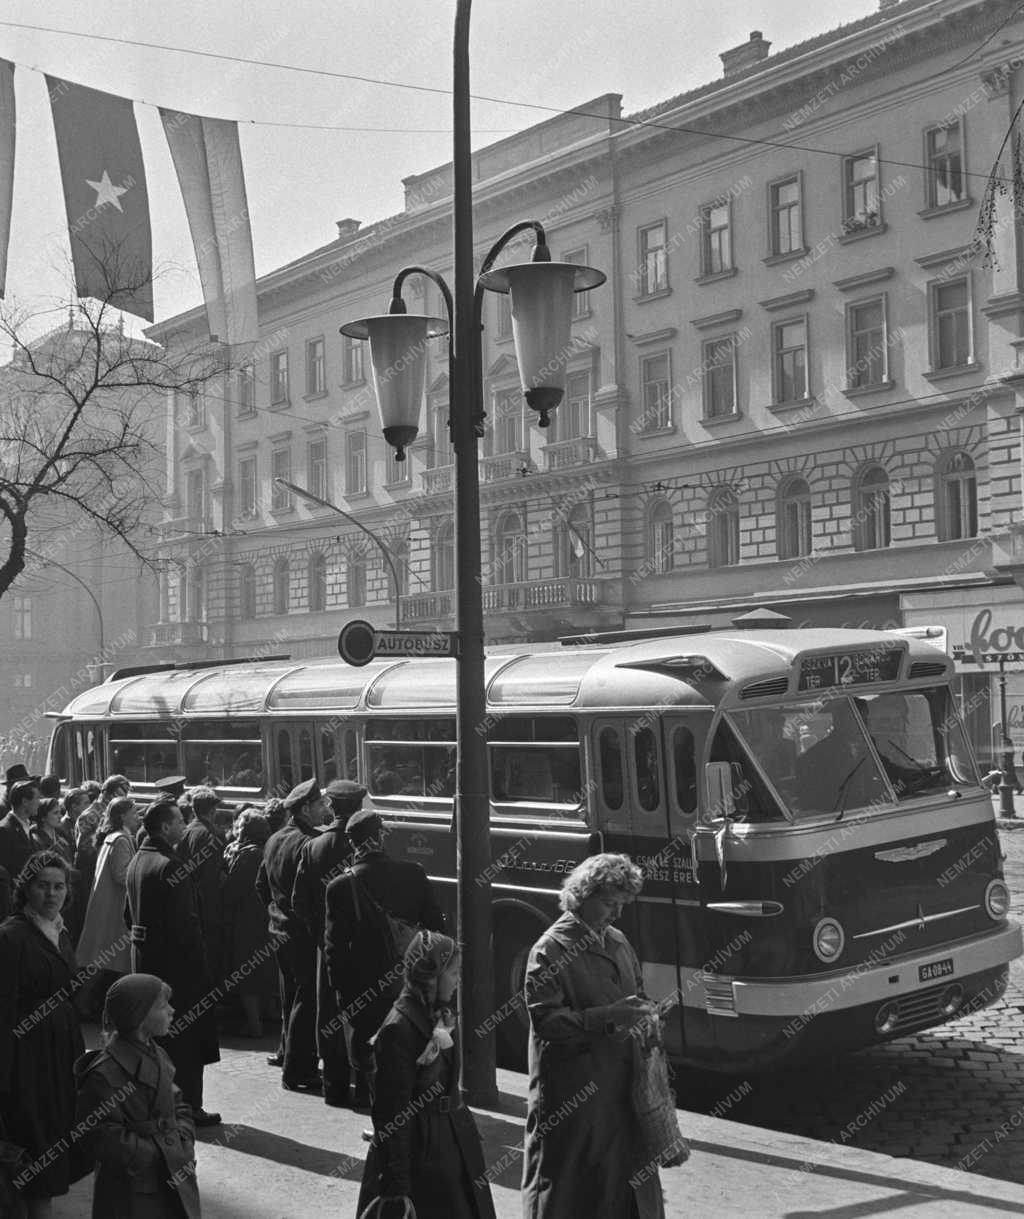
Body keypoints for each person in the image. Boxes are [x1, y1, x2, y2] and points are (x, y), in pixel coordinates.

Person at [521, 853, 666, 1219]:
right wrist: (608, 1018)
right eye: (608, 904)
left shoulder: (617, 941)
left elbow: (637, 990)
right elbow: (548, 1023)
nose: (616, 914)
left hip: (620, 1091)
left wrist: (646, 1013)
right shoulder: (549, 950)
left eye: (622, 905)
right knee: (569, 1191)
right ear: (582, 896)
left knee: (622, 1192)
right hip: (574, 1096)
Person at [357, 931, 496, 1219]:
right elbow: (392, 1114)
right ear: (431, 976)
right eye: (454, 973)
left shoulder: (436, 1012)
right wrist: (397, 1186)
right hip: (423, 1153)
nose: (458, 980)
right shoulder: (398, 1029)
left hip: (451, 1141)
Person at [325, 808, 445, 1106]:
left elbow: (335, 950)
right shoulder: (414, 873)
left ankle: (382, 1123)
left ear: (352, 845)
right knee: (410, 1054)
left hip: (365, 991)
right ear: (380, 837)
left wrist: (343, 997)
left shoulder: (340, 886)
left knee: (372, 1061)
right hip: (410, 986)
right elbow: (437, 929)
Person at [0, 851, 86, 1218]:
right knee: (32, 1142)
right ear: (26, 889)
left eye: (59, 886)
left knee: (54, 1133)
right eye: (42, 886)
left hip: (59, 1051)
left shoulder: (60, 930)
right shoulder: (11, 936)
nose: (51, 894)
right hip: (26, 1057)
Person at [125, 801, 221, 1128]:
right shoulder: (170, 865)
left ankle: (158, 1103)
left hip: (146, 964)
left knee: (155, 1039)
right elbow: (187, 928)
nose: (185, 825)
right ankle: (188, 1106)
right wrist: (203, 970)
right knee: (187, 1042)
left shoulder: (138, 860)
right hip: (179, 971)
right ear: (165, 828)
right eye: (179, 821)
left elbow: (129, 917)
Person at [75, 973, 200, 1219]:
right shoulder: (104, 1073)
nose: (173, 1011)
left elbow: (178, 1103)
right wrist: (153, 1153)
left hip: (173, 1168)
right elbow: (100, 1135)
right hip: (133, 1185)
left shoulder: (159, 1054)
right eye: (164, 1006)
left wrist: (184, 1136)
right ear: (140, 1016)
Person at [255, 777, 328, 1090]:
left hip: (278, 928)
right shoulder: (309, 843)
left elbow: (261, 884)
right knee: (305, 999)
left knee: (289, 996)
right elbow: (311, 895)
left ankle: (287, 1053)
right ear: (307, 808)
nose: (325, 808)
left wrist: (275, 910)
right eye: (321, 804)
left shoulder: (274, 839)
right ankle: (297, 1071)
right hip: (301, 933)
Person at [291, 779, 360, 1107]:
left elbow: (299, 901)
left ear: (332, 806)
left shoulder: (314, 846)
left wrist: (319, 930)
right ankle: (364, 1087)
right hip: (363, 946)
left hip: (326, 943)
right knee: (364, 1015)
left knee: (329, 1014)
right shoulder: (365, 841)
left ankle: (334, 1088)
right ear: (359, 807)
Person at [75, 797, 140, 1012]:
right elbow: (121, 875)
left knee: (103, 961)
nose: (137, 816)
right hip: (116, 911)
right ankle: (117, 1008)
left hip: (107, 910)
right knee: (114, 961)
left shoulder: (112, 837)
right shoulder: (121, 839)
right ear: (122, 816)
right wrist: (139, 871)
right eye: (133, 813)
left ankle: (87, 1005)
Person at [221, 810, 277, 1039]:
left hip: (247, 920)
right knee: (266, 967)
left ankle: (254, 1024)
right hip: (267, 917)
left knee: (247, 972)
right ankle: (271, 1013)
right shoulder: (269, 850)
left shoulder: (247, 856)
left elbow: (232, 891)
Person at [178, 787, 225, 984]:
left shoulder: (184, 832)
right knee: (211, 953)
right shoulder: (212, 835)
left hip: (187, 900)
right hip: (207, 906)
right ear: (212, 811)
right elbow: (211, 878)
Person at [0, 779, 42, 894]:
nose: (39, 802)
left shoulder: (27, 825)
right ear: (25, 801)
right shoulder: (4, 830)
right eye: (37, 798)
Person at [29, 798, 72, 864]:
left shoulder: (62, 836)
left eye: (60, 812)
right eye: (55, 813)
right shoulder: (36, 841)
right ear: (43, 817)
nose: (60, 816)